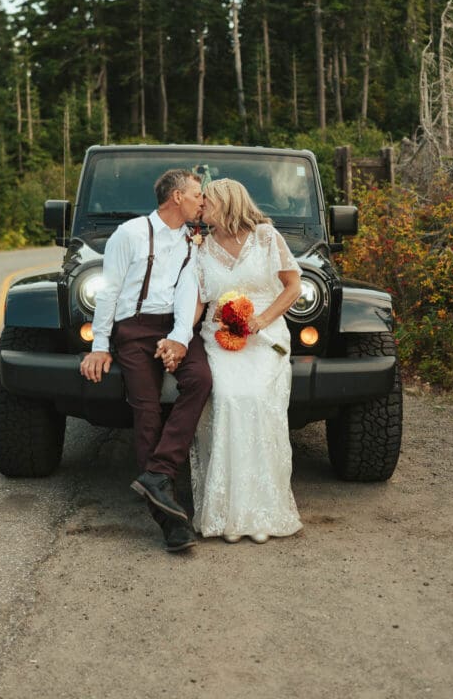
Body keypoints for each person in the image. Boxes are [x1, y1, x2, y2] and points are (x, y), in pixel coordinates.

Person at [162, 177, 303, 544]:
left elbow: (293, 286)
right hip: (219, 338)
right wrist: (179, 338)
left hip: (265, 337)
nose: (202, 205)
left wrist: (262, 320)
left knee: (256, 398)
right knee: (225, 398)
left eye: (208, 200)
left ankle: (262, 511)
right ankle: (225, 512)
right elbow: (196, 301)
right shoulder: (202, 248)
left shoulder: (266, 238)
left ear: (227, 202)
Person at [80, 169, 211, 554]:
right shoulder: (131, 234)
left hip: (174, 328)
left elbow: (189, 293)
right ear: (176, 197)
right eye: (197, 194)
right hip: (134, 330)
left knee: (201, 379)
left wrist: (180, 340)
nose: (202, 201)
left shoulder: (192, 241)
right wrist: (101, 345)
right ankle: (169, 520)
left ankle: (157, 474)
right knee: (147, 408)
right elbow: (110, 291)